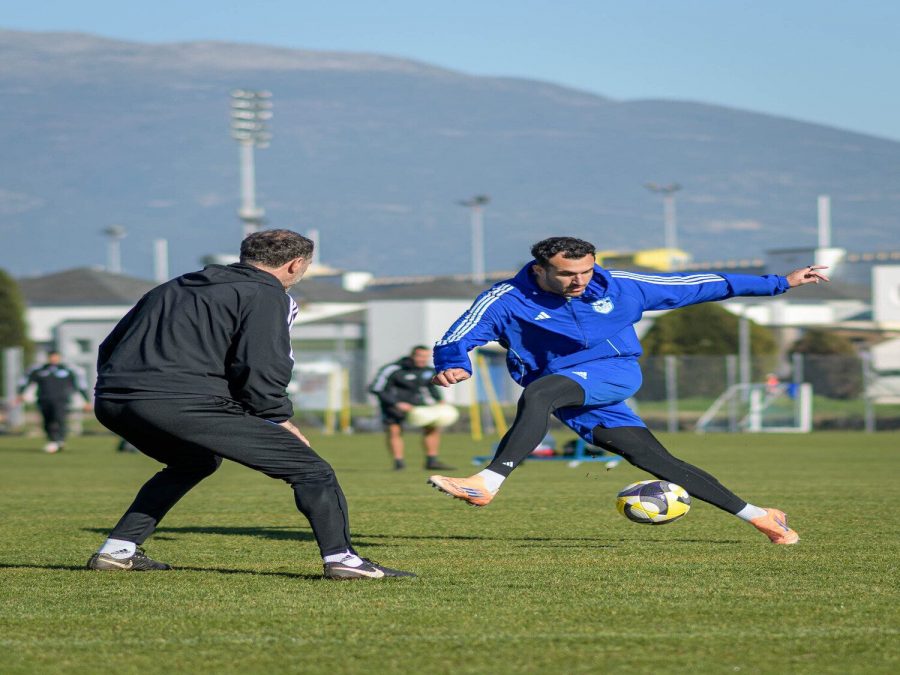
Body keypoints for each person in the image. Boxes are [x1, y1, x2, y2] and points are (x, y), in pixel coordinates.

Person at [426, 236, 830, 545]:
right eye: (566, 274)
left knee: (540, 394)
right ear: (539, 270)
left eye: (586, 271)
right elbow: (460, 333)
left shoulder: (622, 286)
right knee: (653, 459)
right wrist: (452, 363)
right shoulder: (506, 299)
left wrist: (779, 283)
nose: (579, 280)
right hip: (566, 388)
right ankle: (762, 517)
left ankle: (488, 482)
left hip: (612, 371)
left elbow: (697, 285)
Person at [87, 229, 414, 579]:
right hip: (182, 402)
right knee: (311, 470)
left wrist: (117, 388)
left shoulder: (173, 287)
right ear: (295, 264)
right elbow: (261, 364)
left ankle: (117, 550)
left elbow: (111, 345)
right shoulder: (267, 294)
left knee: (193, 462)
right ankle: (343, 560)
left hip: (113, 401)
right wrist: (279, 418)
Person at [369, 346, 455, 471]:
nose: (423, 359)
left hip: (419, 405)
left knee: (432, 427)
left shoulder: (429, 370)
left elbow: (431, 386)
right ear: (412, 356)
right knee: (394, 431)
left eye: (426, 357)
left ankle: (432, 461)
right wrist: (396, 403)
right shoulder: (392, 369)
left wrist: (439, 400)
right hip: (394, 405)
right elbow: (376, 388)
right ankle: (399, 463)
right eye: (420, 356)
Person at [16, 351, 92, 453]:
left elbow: (80, 385)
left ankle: (59, 440)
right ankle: (52, 440)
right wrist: (20, 394)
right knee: (47, 421)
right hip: (43, 399)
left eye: (56, 357)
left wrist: (86, 401)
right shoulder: (40, 370)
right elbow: (25, 381)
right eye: (52, 357)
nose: (53, 359)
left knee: (60, 419)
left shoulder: (68, 370)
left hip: (62, 400)